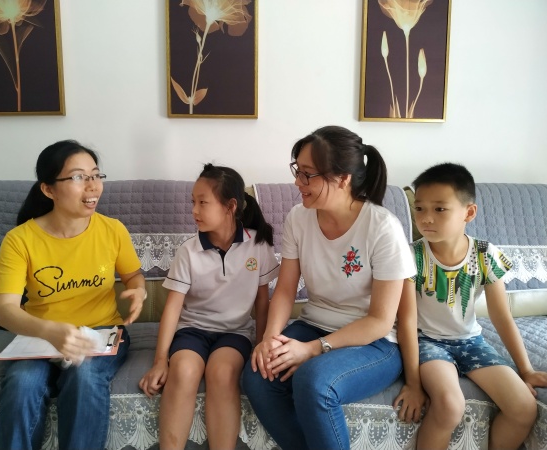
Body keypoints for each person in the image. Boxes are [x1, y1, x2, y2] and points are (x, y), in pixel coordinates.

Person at [242, 125, 416, 450]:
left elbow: (380, 321)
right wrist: (269, 339)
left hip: (374, 343)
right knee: (257, 374)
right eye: (297, 170)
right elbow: (285, 291)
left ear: (343, 179)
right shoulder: (298, 218)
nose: (298, 182)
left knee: (314, 381)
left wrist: (312, 349)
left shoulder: (382, 228)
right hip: (314, 324)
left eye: (307, 174)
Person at [0, 140, 146, 450]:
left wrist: (139, 290)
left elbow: (133, 275)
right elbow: (4, 310)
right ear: (48, 189)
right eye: (78, 177)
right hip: (38, 336)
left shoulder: (113, 230)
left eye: (96, 175)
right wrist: (51, 331)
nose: (92, 186)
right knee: (22, 383)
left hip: (100, 333)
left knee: (85, 375)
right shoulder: (20, 240)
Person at [394, 162, 547, 449]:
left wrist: (525, 370)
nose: (426, 218)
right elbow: (406, 321)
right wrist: (413, 384)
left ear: (469, 212)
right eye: (420, 208)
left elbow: (502, 317)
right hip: (428, 341)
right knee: (450, 406)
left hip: (471, 341)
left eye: (440, 209)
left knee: (524, 408)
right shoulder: (411, 256)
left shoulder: (485, 254)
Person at [138, 163, 280, 449]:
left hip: (235, 333)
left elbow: (262, 303)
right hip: (192, 330)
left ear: (230, 206)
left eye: (202, 203)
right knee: (183, 371)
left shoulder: (258, 246)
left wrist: (261, 345)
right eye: (193, 202)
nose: (194, 210)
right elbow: (173, 309)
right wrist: (160, 360)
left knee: (222, 373)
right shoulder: (188, 251)